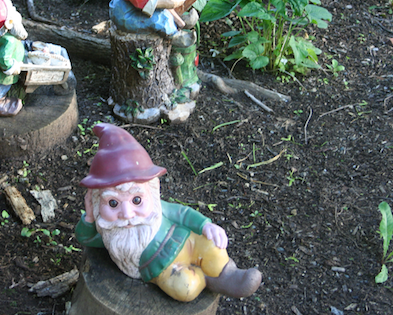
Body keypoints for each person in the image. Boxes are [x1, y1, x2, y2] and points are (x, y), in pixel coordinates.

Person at [75, 123, 262, 302]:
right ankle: (207, 279)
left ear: (152, 190)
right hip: (163, 269)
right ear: (96, 201)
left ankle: (228, 275)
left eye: (136, 200)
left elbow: (182, 214)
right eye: (113, 203)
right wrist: (90, 217)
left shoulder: (157, 209)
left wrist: (205, 225)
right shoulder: (111, 233)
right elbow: (86, 238)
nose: (127, 213)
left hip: (185, 240)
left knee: (212, 246)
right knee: (185, 287)